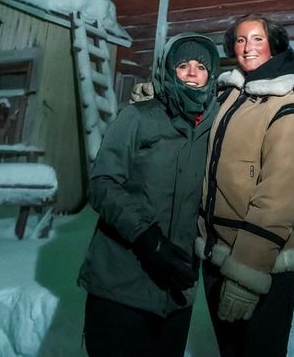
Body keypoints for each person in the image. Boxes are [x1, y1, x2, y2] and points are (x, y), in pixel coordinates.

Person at [78, 32, 220, 357]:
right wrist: (146, 237)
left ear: (211, 74)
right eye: (183, 65)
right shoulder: (138, 117)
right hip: (121, 285)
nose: (192, 72)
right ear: (170, 71)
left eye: (201, 66)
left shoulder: (216, 126)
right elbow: (102, 184)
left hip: (177, 293)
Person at [197, 15, 294, 357]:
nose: (247, 47)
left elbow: (277, 203)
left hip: (260, 269)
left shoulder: (289, 109)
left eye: (256, 39)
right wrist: (154, 100)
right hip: (217, 258)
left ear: (274, 44)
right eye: (239, 40)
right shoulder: (230, 96)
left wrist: (245, 277)